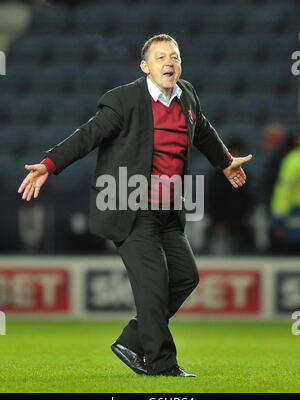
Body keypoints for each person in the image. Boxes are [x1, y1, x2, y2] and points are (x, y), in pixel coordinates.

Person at [18, 34, 252, 377]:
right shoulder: (124, 100)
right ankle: (162, 365)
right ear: (145, 67)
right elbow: (88, 135)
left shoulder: (186, 95)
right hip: (130, 206)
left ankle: (132, 338)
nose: (169, 62)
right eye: (160, 57)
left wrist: (225, 161)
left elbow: (201, 129)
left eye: (174, 56)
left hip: (170, 211)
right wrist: (49, 165)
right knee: (155, 283)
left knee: (186, 276)